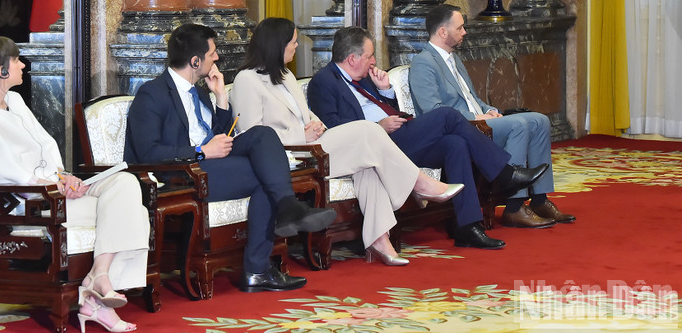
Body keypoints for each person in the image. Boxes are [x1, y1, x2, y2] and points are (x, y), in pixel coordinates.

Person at [230, 18, 464, 266]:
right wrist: (301, 135)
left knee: (367, 162)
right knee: (367, 131)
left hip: (315, 142)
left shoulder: (286, 75)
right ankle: (419, 183)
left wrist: (316, 124)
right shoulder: (247, 80)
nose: (297, 46)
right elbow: (251, 135)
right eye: (293, 42)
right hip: (288, 154)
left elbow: (305, 115)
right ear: (277, 44)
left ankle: (379, 240)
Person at [0, 36, 147, 333]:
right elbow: (2, 171)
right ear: (0, 71)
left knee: (124, 184)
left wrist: (63, 178)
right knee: (130, 211)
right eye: (16, 60)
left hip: (52, 189)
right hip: (20, 205)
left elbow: (44, 146)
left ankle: (99, 276)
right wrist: (52, 187)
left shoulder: (14, 100)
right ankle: (96, 297)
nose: (22, 64)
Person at [124, 23, 336, 292]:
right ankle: (262, 261)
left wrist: (221, 97)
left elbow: (221, 136)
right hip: (182, 172)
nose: (217, 58)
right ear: (195, 60)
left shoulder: (200, 92)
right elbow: (148, 152)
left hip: (212, 163)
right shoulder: (152, 94)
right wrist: (201, 151)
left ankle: (280, 222)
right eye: (212, 53)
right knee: (266, 176)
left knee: (262, 134)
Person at [307, 26, 548, 250]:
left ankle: (467, 226)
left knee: (456, 144)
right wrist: (377, 126)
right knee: (446, 115)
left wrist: (385, 91)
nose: (373, 61)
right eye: (369, 56)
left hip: (399, 137)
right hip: (376, 146)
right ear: (352, 59)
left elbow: (387, 108)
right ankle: (504, 174)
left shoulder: (366, 76)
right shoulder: (324, 83)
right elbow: (336, 128)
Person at [409, 4, 575, 227]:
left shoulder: (453, 58)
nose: (465, 32)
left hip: (479, 120)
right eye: (460, 28)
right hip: (463, 127)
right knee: (518, 125)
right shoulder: (423, 63)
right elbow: (433, 111)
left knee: (539, 120)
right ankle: (514, 208)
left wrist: (487, 110)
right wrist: (474, 117)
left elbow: (471, 96)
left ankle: (539, 199)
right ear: (442, 32)